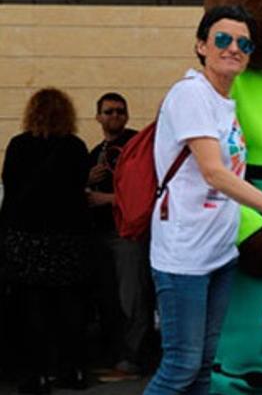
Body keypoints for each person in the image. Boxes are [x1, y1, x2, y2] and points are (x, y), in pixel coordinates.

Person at [144, 5, 262, 395]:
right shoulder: (191, 93)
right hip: (184, 256)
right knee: (180, 366)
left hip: (219, 253)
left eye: (243, 43)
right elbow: (214, 171)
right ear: (201, 45)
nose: (233, 49)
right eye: (222, 40)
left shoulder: (225, 102)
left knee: (204, 368)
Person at [0, 88, 91, 394]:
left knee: (28, 309)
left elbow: (10, 190)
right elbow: (79, 190)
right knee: (69, 308)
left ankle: (34, 375)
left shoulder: (18, 145)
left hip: (26, 239)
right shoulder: (76, 147)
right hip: (66, 238)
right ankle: (72, 369)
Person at [84, 92, 150, 381]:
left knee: (132, 297)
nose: (114, 117)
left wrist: (107, 198)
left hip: (127, 232)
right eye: (109, 112)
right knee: (110, 298)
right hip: (101, 232)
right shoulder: (96, 150)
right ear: (97, 117)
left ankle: (131, 360)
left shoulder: (135, 145)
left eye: (120, 112)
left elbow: (146, 189)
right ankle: (116, 356)